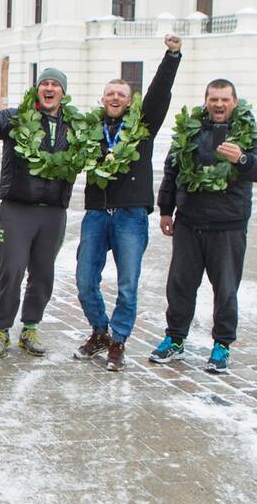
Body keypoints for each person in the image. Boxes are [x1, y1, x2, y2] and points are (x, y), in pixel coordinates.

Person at [151, 79, 257, 373]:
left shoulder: (249, 132)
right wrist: (166, 210)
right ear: (206, 100)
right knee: (180, 285)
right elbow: (172, 170)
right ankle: (175, 339)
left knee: (226, 288)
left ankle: (221, 345)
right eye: (213, 99)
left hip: (228, 225)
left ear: (234, 101)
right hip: (189, 223)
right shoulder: (190, 130)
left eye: (224, 99)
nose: (218, 104)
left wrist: (243, 159)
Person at [73, 35, 182, 371]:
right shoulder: (90, 129)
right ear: (102, 99)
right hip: (96, 213)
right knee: (84, 279)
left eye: (121, 94)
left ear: (130, 101)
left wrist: (172, 57)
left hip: (130, 214)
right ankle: (99, 331)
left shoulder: (142, 126)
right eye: (110, 93)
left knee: (127, 284)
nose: (115, 97)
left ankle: (118, 341)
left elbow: (159, 95)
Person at [0, 68, 82, 360]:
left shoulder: (75, 125)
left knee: (43, 273)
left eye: (55, 85)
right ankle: (2, 329)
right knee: (10, 269)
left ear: (63, 92)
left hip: (53, 212)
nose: (49, 89)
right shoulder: (17, 118)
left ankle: (30, 327)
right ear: (37, 90)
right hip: (17, 208)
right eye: (44, 84)